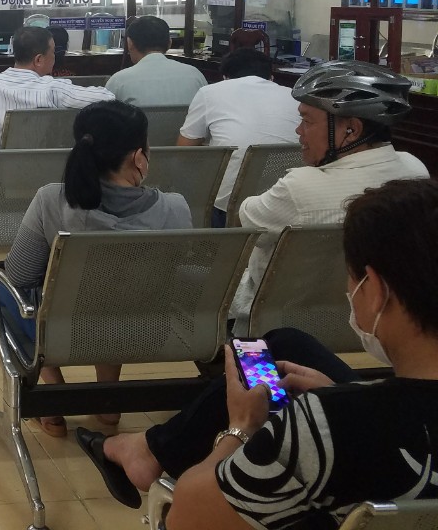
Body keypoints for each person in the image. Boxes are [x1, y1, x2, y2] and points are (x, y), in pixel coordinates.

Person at [79, 177, 438, 525]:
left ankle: (146, 451)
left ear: (374, 290)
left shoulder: (324, 425)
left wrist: (240, 429)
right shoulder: (346, 411)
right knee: (288, 344)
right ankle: (145, 449)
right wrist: (347, 392)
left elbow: (187, 517)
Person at [1, 101, 192, 439]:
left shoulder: (51, 200)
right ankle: (107, 399)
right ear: (139, 156)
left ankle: (53, 395)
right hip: (148, 332)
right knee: (119, 294)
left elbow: (19, 276)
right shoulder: (175, 208)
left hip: (63, 334)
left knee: (5, 290)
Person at [229, 60, 425, 319]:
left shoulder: (299, 187)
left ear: (352, 129)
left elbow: (244, 224)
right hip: (373, 324)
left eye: (307, 121)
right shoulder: (415, 171)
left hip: (283, 325)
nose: (299, 131)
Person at [178, 49, 300, 226]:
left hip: (231, 206)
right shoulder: (295, 97)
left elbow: (184, 151)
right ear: (271, 77)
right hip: (287, 203)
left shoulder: (209, 92)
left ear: (225, 77)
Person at [0, 26, 114, 148]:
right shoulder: (51, 89)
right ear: (39, 60)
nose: (55, 57)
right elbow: (107, 98)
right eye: (53, 52)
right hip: (36, 168)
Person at [105, 15, 206, 107]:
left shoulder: (118, 81)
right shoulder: (196, 76)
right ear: (169, 43)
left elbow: (105, 116)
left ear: (130, 44)